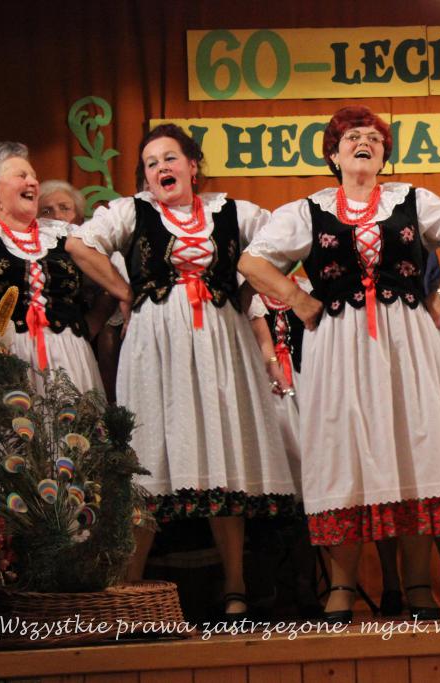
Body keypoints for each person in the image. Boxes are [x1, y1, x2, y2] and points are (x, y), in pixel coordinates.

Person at [239, 105, 440, 623]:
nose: (363, 143)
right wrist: (298, 300)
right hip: (339, 344)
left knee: (414, 447)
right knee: (344, 450)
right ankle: (342, 585)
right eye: (351, 137)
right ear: (333, 155)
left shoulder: (412, 200)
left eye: (374, 139)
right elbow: (252, 261)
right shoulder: (308, 210)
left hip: (408, 342)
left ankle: (419, 583)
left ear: (384, 156)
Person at [66, 124, 296, 618]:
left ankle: (235, 587)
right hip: (156, 345)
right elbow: (80, 246)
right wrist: (125, 292)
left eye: (169, 158)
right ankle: (129, 590)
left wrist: (251, 290)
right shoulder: (132, 212)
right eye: (151, 163)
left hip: (222, 341)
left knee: (223, 453)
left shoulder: (234, 213)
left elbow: (285, 245)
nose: (160, 168)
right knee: (147, 455)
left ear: (193, 166)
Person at [0, 142, 103, 393]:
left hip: (71, 359)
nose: (33, 182)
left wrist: (92, 323)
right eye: (22, 175)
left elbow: (113, 276)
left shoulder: (63, 234)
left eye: (33, 176)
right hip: (3, 362)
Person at [38, 179, 122, 400]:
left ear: (79, 216)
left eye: (64, 208)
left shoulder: (90, 245)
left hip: (84, 338)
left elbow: (110, 287)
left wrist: (93, 322)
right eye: (46, 210)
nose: (56, 216)